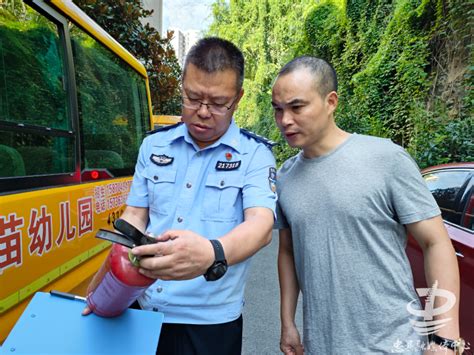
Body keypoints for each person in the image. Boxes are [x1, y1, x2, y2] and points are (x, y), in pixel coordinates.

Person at [272, 56, 462, 354]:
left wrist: (445, 338)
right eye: (278, 109)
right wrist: (287, 323)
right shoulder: (284, 177)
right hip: (322, 344)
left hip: (394, 343)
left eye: (297, 107)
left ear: (330, 101)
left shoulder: (386, 159)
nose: (285, 120)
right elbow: (287, 251)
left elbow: (436, 243)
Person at [102, 38, 276, 354]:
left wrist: (212, 253)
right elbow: (135, 216)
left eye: (218, 102)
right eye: (192, 98)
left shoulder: (255, 155)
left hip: (210, 323)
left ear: (237, 99)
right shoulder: (154, 146)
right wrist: (105, 286)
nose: (202, 113)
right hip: (142, 307)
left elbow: (261, 227)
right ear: (183, 85)